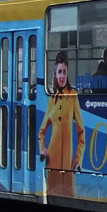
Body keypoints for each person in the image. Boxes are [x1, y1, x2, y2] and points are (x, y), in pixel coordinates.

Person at [37, 51, 86, 197]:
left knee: (69, 195)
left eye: (65, 72)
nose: (62, 76)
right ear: (55, 73)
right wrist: (43, 149)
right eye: (59, 72)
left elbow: (81, 132)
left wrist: (77, 159)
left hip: (67, 165)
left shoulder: (73, 96)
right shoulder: (52, 99)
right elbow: (42, 132)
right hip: (52, 163)